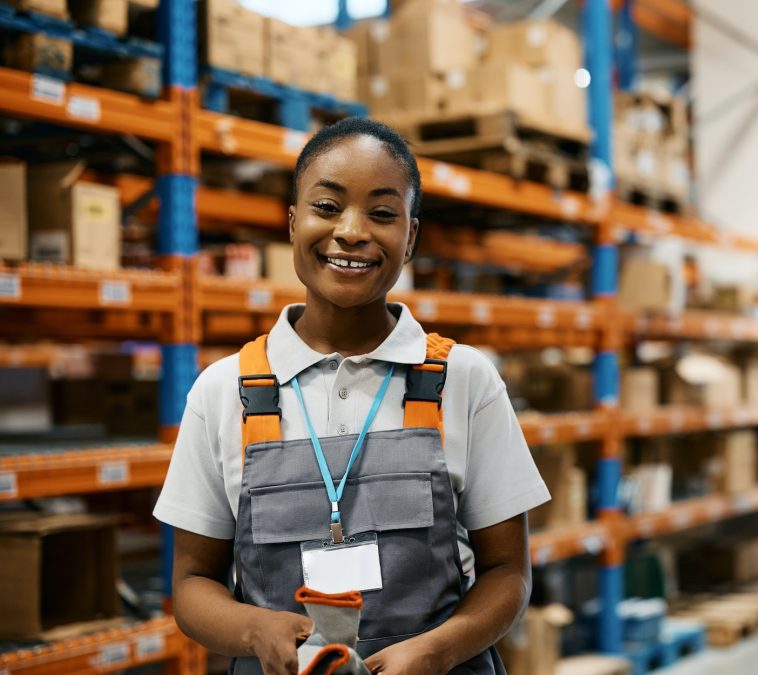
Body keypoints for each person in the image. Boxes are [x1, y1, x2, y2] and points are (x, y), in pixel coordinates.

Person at [153, 118, 551, 674]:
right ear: (293, 224)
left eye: (383, 214)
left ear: (410, 237)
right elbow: (193, 583)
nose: (352, 231)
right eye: (327, 207)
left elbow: (508, 572)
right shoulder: (223, 392)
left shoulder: (464, 380)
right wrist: (253, 628)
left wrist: (438, 649)